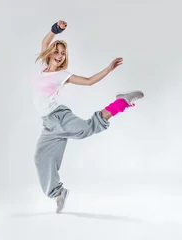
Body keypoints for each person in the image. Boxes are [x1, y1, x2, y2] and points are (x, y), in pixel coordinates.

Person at [32, 20, 144, 214]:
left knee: (85, 129)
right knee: (41, 157)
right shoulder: (42, 67)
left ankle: (121, 102)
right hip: (48, 125)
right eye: (57, 52)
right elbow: (45, 40)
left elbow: (89, 81)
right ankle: (58, 193)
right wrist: (56, 30)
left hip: (58, 117)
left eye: (63, 54)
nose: (59, 56)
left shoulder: (62, 75)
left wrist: (108, 69)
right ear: (50, 53)